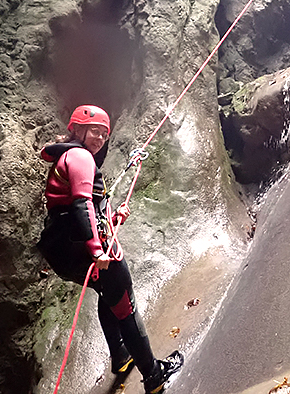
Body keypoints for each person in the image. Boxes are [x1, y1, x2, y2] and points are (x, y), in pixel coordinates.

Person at [36, 105, 183, 393]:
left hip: (65, 251)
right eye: (94, 131)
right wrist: (97, 250)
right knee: (126, 305)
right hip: (87, 251)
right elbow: (81, 204)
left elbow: (78, 209)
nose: (100, 138)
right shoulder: (79, 157)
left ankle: (121, 357)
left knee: (109, 293)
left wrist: (114, 219)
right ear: (76, 130)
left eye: (104, 134)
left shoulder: (67, 157)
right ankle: (153, 375)